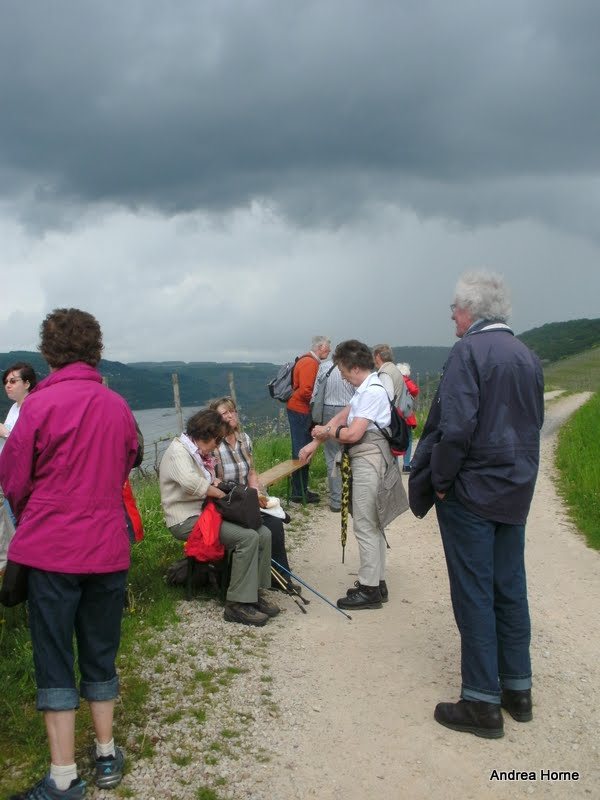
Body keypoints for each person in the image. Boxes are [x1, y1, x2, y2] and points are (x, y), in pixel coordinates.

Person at [0, 309, 140, 800]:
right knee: (100, 652)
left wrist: (40, 511)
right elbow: (129, 459)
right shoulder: (117, 405)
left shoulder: (37, 405)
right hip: (107, 548)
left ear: (48, 351)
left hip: (52, 552)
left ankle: (63, 777)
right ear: (95, 349)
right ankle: (106, 754)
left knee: (54, 656)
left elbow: (12, 479)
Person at [409, 270, 544, 739]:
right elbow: (532, 425)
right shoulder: (527, 355)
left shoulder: (468, 351)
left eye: (455, 308)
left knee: (474, 592)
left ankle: (481, 701)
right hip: (515, 488)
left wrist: (442, 482)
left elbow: (457, 427)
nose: (452, 316)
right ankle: (517, 689)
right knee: (510, 587)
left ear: (470, 310)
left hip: (472, 491)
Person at [299, 340, 408, 610]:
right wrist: (315, 442)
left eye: (344, 372)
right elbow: (342, 416)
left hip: (369, 461)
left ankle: (370, 590)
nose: (344, 377)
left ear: (355, 368)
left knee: (365, 525)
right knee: (373, 523)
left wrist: (327, 432)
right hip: (369, 459)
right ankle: (377, 582)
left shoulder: (371, 392)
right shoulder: (367, 388)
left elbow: (352, 433)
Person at [158, 408, 279, 627]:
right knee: (246, 538)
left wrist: (224, 488)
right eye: (217, 440)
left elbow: (209, 481)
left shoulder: (198, 453)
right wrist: (223, 494)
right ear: (206, 435)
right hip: (186, 518)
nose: (217, 445)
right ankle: (237, 604)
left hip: (207, 513)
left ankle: (253, 592)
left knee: (263, 532)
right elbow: (193, 484)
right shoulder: (178, 452)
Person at [208, 396, 299, 592]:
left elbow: (251, 472)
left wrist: (257, 494)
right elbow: (213, 481)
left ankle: (280, 575)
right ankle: (271, 576)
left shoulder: (244, 439)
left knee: (276, 520)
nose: (230, 416)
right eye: (224, 413)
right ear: (215, 419)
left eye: (232, 411)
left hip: (246, 498)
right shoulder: (214, 446)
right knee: (270, 524)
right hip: (228, 502)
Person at [0, 362, 38, 573]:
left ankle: (21, 572)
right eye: (6, 381)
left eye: (13, 381)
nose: (8, 385)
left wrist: (4, 432)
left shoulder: (33, 406)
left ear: (27, 383)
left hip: (22, 481)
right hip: (9, 478)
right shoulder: (15, 408)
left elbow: (27, 444)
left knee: (16, 526)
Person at [286, 335, 331, 503]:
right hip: (301, 410)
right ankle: (299, 492)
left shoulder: (306, 360)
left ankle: (300, 489)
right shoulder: (310, 363)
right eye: (327, 347)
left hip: (297, 409)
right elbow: (306, 391)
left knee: (301, 447)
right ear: (320, 347)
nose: (329, 351)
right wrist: (317, 405)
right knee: (302, 448)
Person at [310, 360, 355, 512]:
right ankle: (351, 496)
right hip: (348, 410)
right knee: (351, 453)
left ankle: (336, 501)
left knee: (331, 457)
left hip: (328, 410)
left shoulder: (325, 366)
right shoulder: (351, 365)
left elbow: (315, 392)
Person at [396, 362, 419, 473]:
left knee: (395, 439)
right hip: (406, 415)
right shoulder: (406, 380)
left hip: (395, 414)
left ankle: (394, 464)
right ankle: (406, 465)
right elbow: (415, 390)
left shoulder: (393, 380)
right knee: (408, 439)